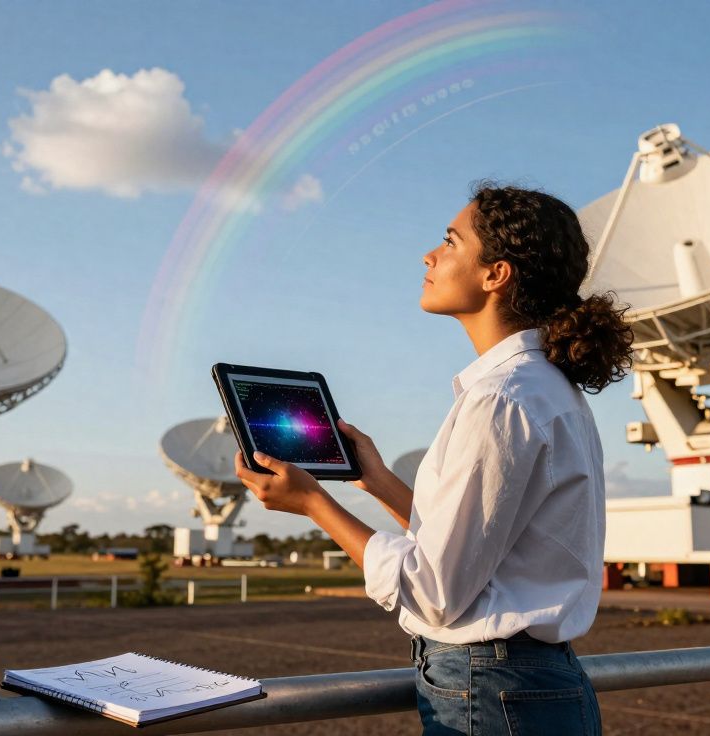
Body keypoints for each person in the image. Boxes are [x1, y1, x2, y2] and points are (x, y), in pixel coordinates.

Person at [235, 182, 633, 735]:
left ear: (497, 274)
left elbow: (435, 591)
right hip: (531, 684)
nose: (430, 254)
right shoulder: (543, 389)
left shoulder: (502, 399)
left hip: (492, 690)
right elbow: (483, 543)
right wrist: (378, 483)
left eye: (450, 241)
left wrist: (313, 505)